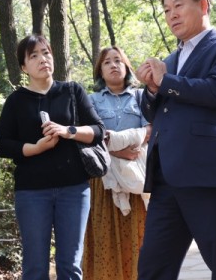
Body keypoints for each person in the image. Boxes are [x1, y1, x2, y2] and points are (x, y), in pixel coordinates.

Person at [135, 0, 216, 280]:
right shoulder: (169, 60)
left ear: (202, 5)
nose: (171, 14)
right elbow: (154, 111)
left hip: (210, 174)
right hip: (165, 179)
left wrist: (165, 82)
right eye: (166, 10)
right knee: (152, 268)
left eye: (178, 5)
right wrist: (150, 90)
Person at [0, 34, 105, 280]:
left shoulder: (72, 91)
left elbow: (98, 131)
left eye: (46, 53)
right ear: (24, 67)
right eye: (34, 55)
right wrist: (34, 148)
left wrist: (69, 131)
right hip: (31, 192)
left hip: (74, 190)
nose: (43, 59)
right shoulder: (16, 101)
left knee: (70, 266)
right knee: (35, 267)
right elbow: (1, 144)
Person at [83, 46, 151, 280]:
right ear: (100, 71)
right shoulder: (90, 100)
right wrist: (119, 152)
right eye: (107, 62)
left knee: (139, 238)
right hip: (103, 180)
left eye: (118, 61)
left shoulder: (141, 96)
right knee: (105, 239)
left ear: (126, 67)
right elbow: (89, 136)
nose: (113, 65)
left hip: (135, 180)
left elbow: (150, 130)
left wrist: (123, 142)